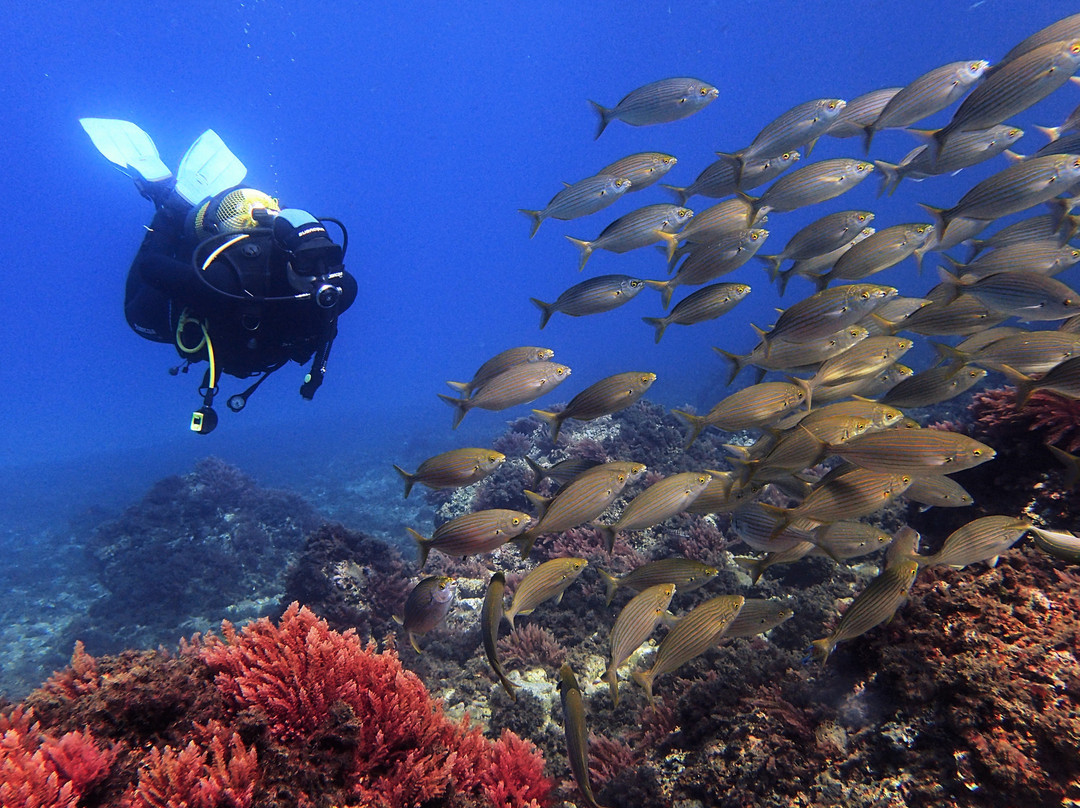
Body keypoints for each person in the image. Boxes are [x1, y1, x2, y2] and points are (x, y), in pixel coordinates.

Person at [81, 119, 357, 433]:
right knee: (138, 317)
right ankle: (174, 205)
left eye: (330, 259)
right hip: (205, 296)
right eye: (308, 262)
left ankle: (205, 210)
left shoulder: (339, 289)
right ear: (287, 259)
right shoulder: (228, 284)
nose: (321, 274)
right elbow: (152, 267)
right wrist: (168, 217)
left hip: (243, 334)